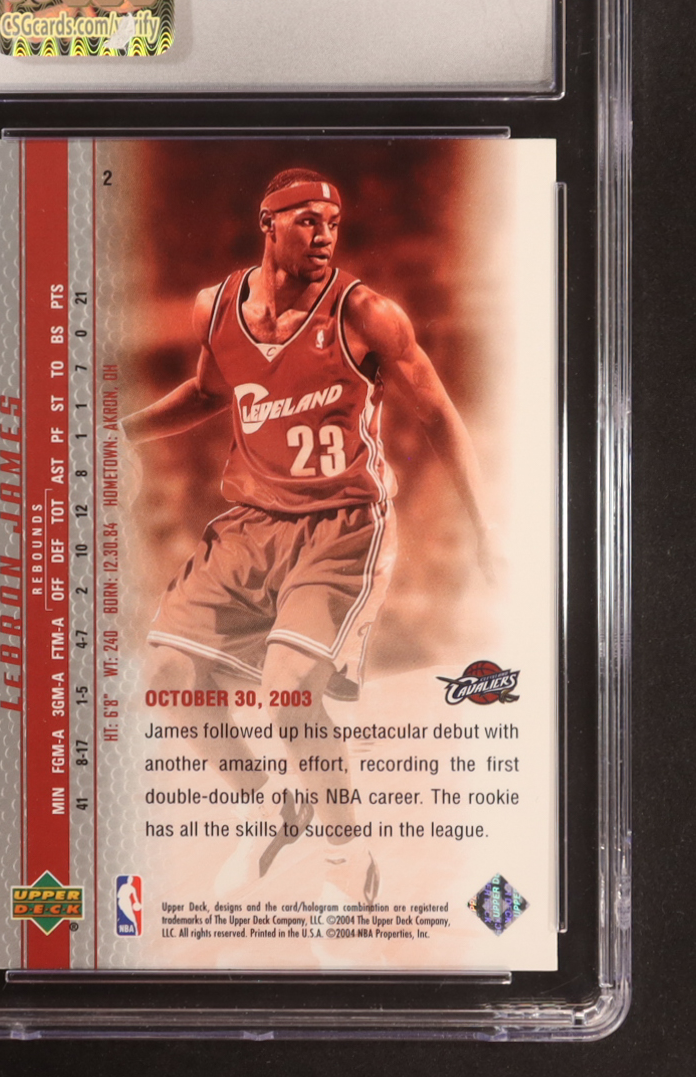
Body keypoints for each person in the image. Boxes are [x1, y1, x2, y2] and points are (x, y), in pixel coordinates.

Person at [122, 168, 493, 902]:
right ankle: (271, 805)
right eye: (307, 220)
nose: (325, 234)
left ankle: (346, 852)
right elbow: (208, 392)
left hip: (341, 525)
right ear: (268, 224)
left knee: (289, 692)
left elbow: (438, 414)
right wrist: (117, 429)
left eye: (333, 222)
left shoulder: (367, 314)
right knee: (166, 679)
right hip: (252, 522)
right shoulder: (215, 308)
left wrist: (485, 530)